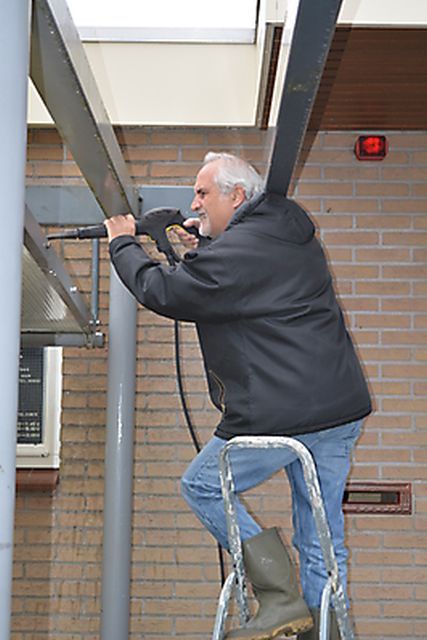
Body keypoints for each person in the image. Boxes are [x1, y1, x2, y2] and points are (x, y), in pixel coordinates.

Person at [105, 152, 372, 640]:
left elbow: (168, 292)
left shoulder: (243, 249)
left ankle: (279, 596)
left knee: (203, 485)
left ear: (237, 195)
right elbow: (229, 284)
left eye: (203, 193)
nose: (194, 203)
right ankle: (327, 631)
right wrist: (207, 244)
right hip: (337, 411)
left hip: (283, 412)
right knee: (321, 537)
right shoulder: (282, 234)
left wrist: (123, 243)